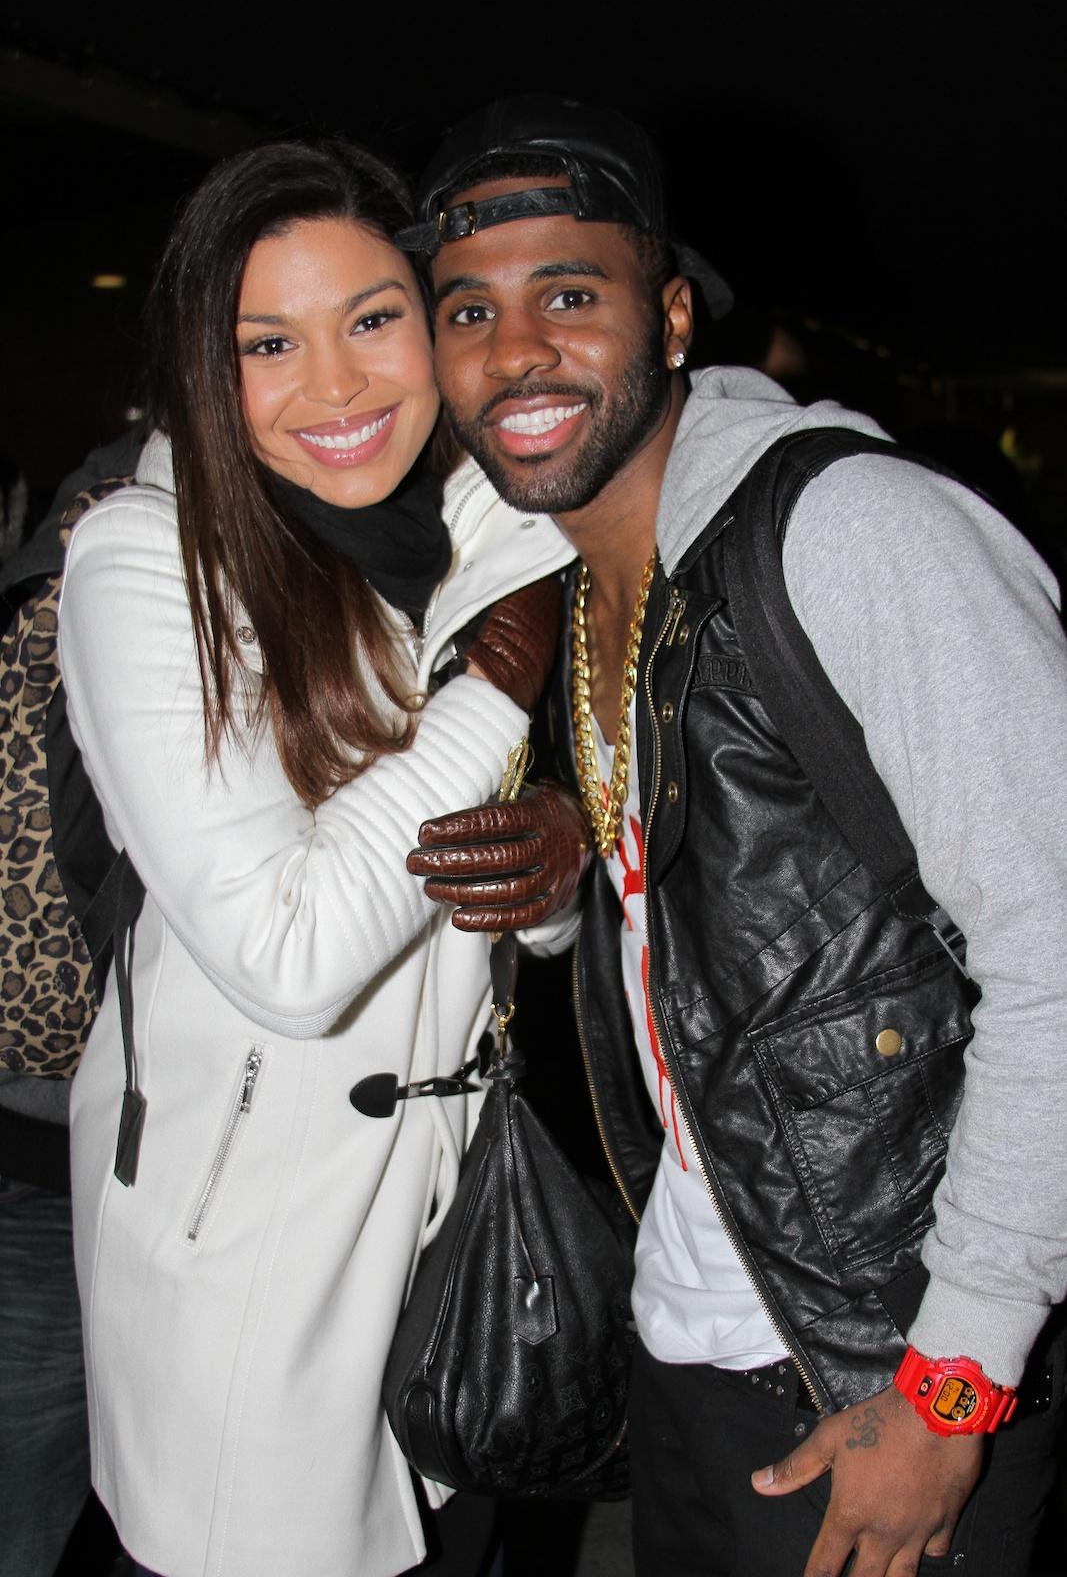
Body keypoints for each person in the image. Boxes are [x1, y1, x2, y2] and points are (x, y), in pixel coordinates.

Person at [402, 96, 1067, 1577]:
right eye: (471, 312)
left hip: (884, 1374)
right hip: (688, 1340)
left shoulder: (853, 531)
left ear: (676, 315)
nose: (516, 352)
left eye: (569, 296)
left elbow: (1060, 954)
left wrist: (951, 1386)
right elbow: (719, 934)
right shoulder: (586, 601)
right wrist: (571, 880)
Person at [55, 137, 574, 1577]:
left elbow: (502, 922)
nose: (337, 388)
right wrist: (494, 693)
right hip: (254, 1243)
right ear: (200, 368)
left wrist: (552, 878)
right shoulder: (150, 562)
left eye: (372, 320)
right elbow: (290, 956)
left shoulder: (495, 522)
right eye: (266, 343)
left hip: (457, 1220)